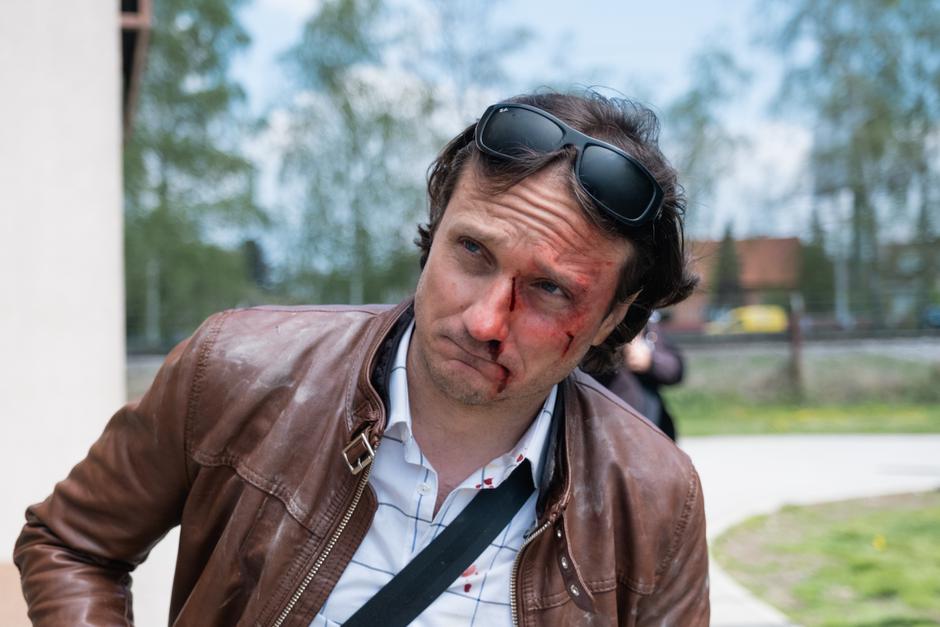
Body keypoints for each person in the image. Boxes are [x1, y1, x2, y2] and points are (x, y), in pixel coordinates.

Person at [15, 91, 709, 626]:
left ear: (615, 317)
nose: (485, 320)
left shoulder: (655, 496)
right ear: (435, 229)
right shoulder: (235, 370)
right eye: (473, 251)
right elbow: (71, 543)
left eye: (551, 290)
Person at [595, 312, 685, 441]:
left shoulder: (651, 327)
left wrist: (651, 362)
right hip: (614, 428)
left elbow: (675, 370)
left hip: (653, 426)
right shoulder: (601, 328)